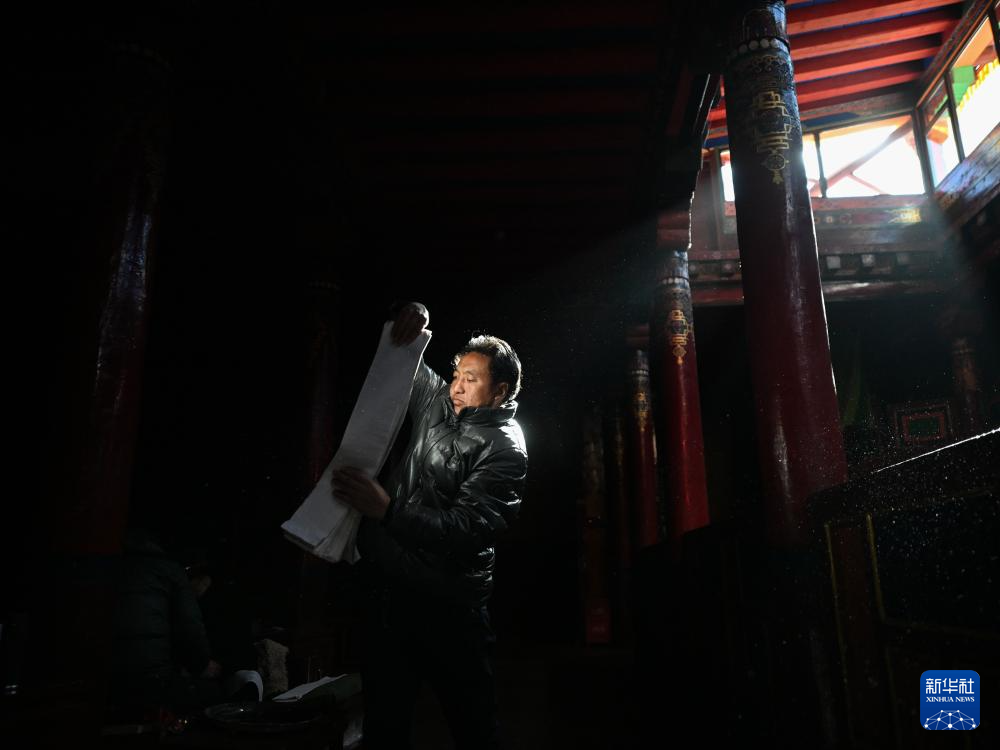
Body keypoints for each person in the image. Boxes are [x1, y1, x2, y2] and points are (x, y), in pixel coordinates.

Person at [332, 301, 527, 750]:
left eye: (471, 379)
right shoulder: (439, 402)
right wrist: (412, 316)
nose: (456, 386)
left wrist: (388, 511)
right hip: (393, 595)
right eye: (457, 374)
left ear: (499, 392)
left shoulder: (506, 449)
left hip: (450, 607)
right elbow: (406, 361)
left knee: (474, 729)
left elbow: (464, 530)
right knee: (385, 726)